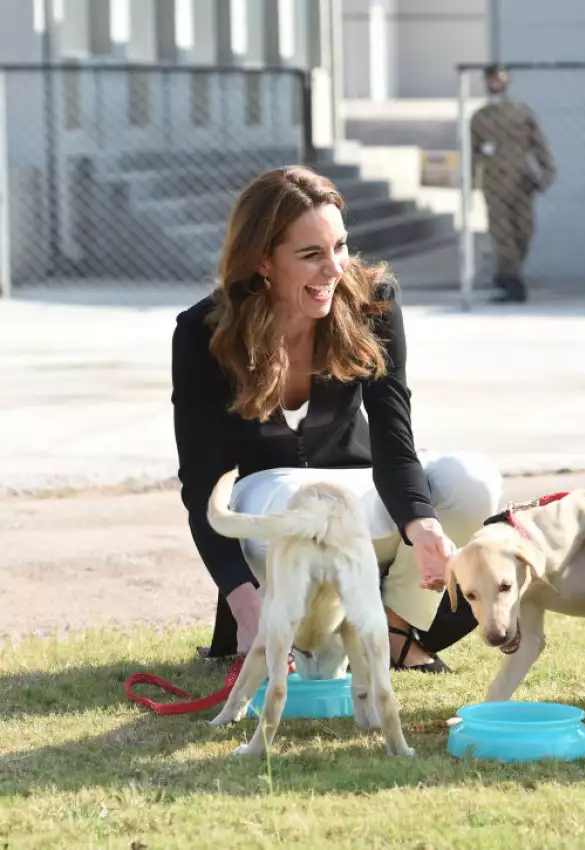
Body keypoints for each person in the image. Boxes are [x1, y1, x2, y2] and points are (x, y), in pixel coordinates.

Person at [172, 165, 502, 674]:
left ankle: (392, 628)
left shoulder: (373, 300)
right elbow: (202, 486)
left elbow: (395, 437)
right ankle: (297, 630)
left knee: (471, 480)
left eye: (340, 246)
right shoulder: (203, 333)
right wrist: (246, 608)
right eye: (311, 255)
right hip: (270, 509)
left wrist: (425, 527)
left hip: (360, 493)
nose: (334, 269)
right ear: (263, 260)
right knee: (295, 500)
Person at [470, 64, 557, 304]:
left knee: (525, 231)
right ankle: (512, 283)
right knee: (503, 234)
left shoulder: (521, 112)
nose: (497, 83)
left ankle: (506, 275)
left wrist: (546, 173)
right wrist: (467, 183)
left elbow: (538, 144)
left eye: (501, 78)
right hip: (494, 183)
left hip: (521, 182)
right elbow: (472, 153)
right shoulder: (480, 118)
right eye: (493, 79)